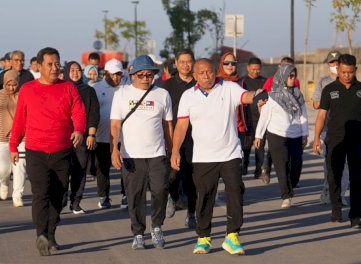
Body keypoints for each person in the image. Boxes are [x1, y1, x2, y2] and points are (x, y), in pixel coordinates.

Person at [171, 58, 261, 255]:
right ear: (195, 76)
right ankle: (203, 237)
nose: (207, 76)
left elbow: (246, 97)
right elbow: (181, 126)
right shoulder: (188, 96)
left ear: (216, 72)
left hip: (230, 153)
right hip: (203, 157)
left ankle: (232, 236)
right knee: (204, 197)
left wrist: (257, 95)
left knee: (236, 191)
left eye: (210, 72)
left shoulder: (228, 87)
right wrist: (175, 151)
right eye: (202, 73)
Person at [9, 47, 86, 256]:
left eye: (57, 63)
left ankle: (51, 233)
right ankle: (41, 235)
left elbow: (78, 111)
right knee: (40, 195)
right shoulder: (28, 89)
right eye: (50, 64)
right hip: (36, 152)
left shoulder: (68, 88)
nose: (55, 68)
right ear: (39, 66)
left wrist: (79, 130)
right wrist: (13, 146)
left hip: (62, 152)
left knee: (59, 196)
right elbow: (20, 120)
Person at [111, 55, 173, 250]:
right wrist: (114, 149)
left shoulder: (162, 94)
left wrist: (173, 150)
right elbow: (115, 124)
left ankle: (156, 227)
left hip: (157, 153)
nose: (146, 78)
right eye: (142, 75)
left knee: (160, 191)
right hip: (131, 155)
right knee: (135, 195)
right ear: (133, 75)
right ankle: (138, 233)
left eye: (150, 74)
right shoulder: (121, 93)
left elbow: (168, 125)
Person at [313, 54, 361, 229]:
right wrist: (316, 138)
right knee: (333, 177)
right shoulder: (329, 89)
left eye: (350, 72)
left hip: (358, 141)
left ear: (355, 70)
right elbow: (322, 115)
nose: (347, 75)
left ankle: (356, 216)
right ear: (338, 70)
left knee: (356, 179)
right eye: (344, 72)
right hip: (335, 140)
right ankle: (336, 208)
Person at [254, 64, 308, 209]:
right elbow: (264, 116)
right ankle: (286, 195)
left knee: (296, 164)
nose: (292, 79)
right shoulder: (272, 96)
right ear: (283, 77)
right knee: (281, 165)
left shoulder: (298, 94)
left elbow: (303, 115)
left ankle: (291, 184)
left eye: (294, 76)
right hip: (276, 135)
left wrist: (305, 133)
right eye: (290, 76)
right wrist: (258, 135)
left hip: (295, 134)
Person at [161, 50, 197, 228]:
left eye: (189, 61)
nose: (185, 65)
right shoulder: (167, 86)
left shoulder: (200, 85)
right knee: (173, 173)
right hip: (173, 137)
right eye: (182, 62)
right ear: (176, 63)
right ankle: (171, 196)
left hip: (196, 138)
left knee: (192, 177)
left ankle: (191, 213)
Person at [0, 69, 27, 207]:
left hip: (21, 137)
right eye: (8, 84)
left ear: (18, 83)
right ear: (4, 83)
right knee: (3, 168)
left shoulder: (24, 96)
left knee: (20, 166)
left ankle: (17, 195)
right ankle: (4, 182)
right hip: (1, 137)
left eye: (14, 84)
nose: (11, 88)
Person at [62, 61, 100, 214]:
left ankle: (75, 202)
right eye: (72, 70)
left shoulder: (88, 91)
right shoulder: (61, 89)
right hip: (62, 136)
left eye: (78, 70)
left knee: (80, 169)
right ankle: (62, 199)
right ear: (66, 72)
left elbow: (93, 114)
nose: (75, 72)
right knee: (62, 169)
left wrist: (91, 134)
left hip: (82, 137)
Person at [313, 50, 349, 205]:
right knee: (330, 163)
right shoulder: (323, 82)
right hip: (328, 129)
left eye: (337, 62)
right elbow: (315, 104)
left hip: (347, 129)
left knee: (346, 164)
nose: (334, 65)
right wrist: (331, 101)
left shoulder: (350, 80)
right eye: (331, 63)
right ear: (328, 65)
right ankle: (327, 189)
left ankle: (341, 194)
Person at [260, 56, 301, 184]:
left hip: (289, 121)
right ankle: (266, 169)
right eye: (285, 67)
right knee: (272, 148)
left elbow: (297, 99)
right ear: (279, 67)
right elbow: (264, 96)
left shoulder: (295, 81)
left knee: (288, 152)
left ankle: (289, 178)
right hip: (274, 119)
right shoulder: (271, 81)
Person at [93, 59, 126, 210]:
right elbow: (93, 112)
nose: (116, 77)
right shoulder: (97, 88)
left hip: (123, 137)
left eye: (119, 74)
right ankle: (104, 196)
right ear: (106, 73)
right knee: (103, 168)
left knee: (125, 167)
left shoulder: (126, 88)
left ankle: (126, 195)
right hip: (102, 136)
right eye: (113, 74)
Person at [240, 57, 267, 178]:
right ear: (248, 68)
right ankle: (244, 166)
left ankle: (258, 170)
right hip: (246, 119)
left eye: (258, 69)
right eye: (253, 69)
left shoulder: (265, 82)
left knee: (259, 146)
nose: (255, 72)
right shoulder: (242, 82)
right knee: (246, 145)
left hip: (261, 119)